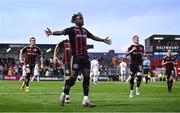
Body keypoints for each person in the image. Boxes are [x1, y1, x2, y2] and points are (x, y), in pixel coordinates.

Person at [44, 12, 111, 107]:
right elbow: (62, 32)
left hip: (85, 57)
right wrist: (52, 33)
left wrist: (103, 40)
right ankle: (64, 92)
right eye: (80, 19)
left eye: (83, 18)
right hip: (76, 57)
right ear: (75, 21)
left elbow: (93, 37)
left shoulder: (84, 31)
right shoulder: (71, 30)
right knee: (73, 79)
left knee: (87, 77)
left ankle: (86, 100)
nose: (82, 20)